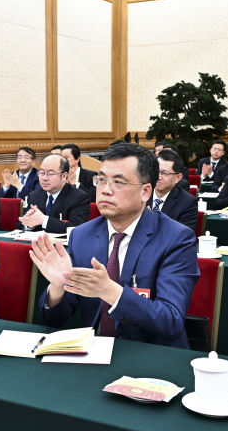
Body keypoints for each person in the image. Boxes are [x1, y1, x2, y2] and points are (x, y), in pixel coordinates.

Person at [30, 142, 198, 349]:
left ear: (146, 191)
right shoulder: (82, 235)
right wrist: (58, 287)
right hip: (94, 353)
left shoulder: (176, 238)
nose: (106, 190)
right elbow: (54, 320)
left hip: (151, 354)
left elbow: (170, 321)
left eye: (118, 182)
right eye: (101, 180)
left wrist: (110, 291)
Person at [18, 154, 90, 233]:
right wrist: (29, 224)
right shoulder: (34, 195)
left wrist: (44, 220)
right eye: (42, 173)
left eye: (50, 174)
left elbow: (77, 229)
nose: (45, 178)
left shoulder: (79, 197)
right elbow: (20, 226)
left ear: (64, 176)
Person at [151, 149, 198, 233]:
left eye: (165, 173)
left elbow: (184, 236)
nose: (158, 177)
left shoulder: (187, 203)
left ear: (178, 177)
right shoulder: (140, 194)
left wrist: (152, 220)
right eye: (156, 171)